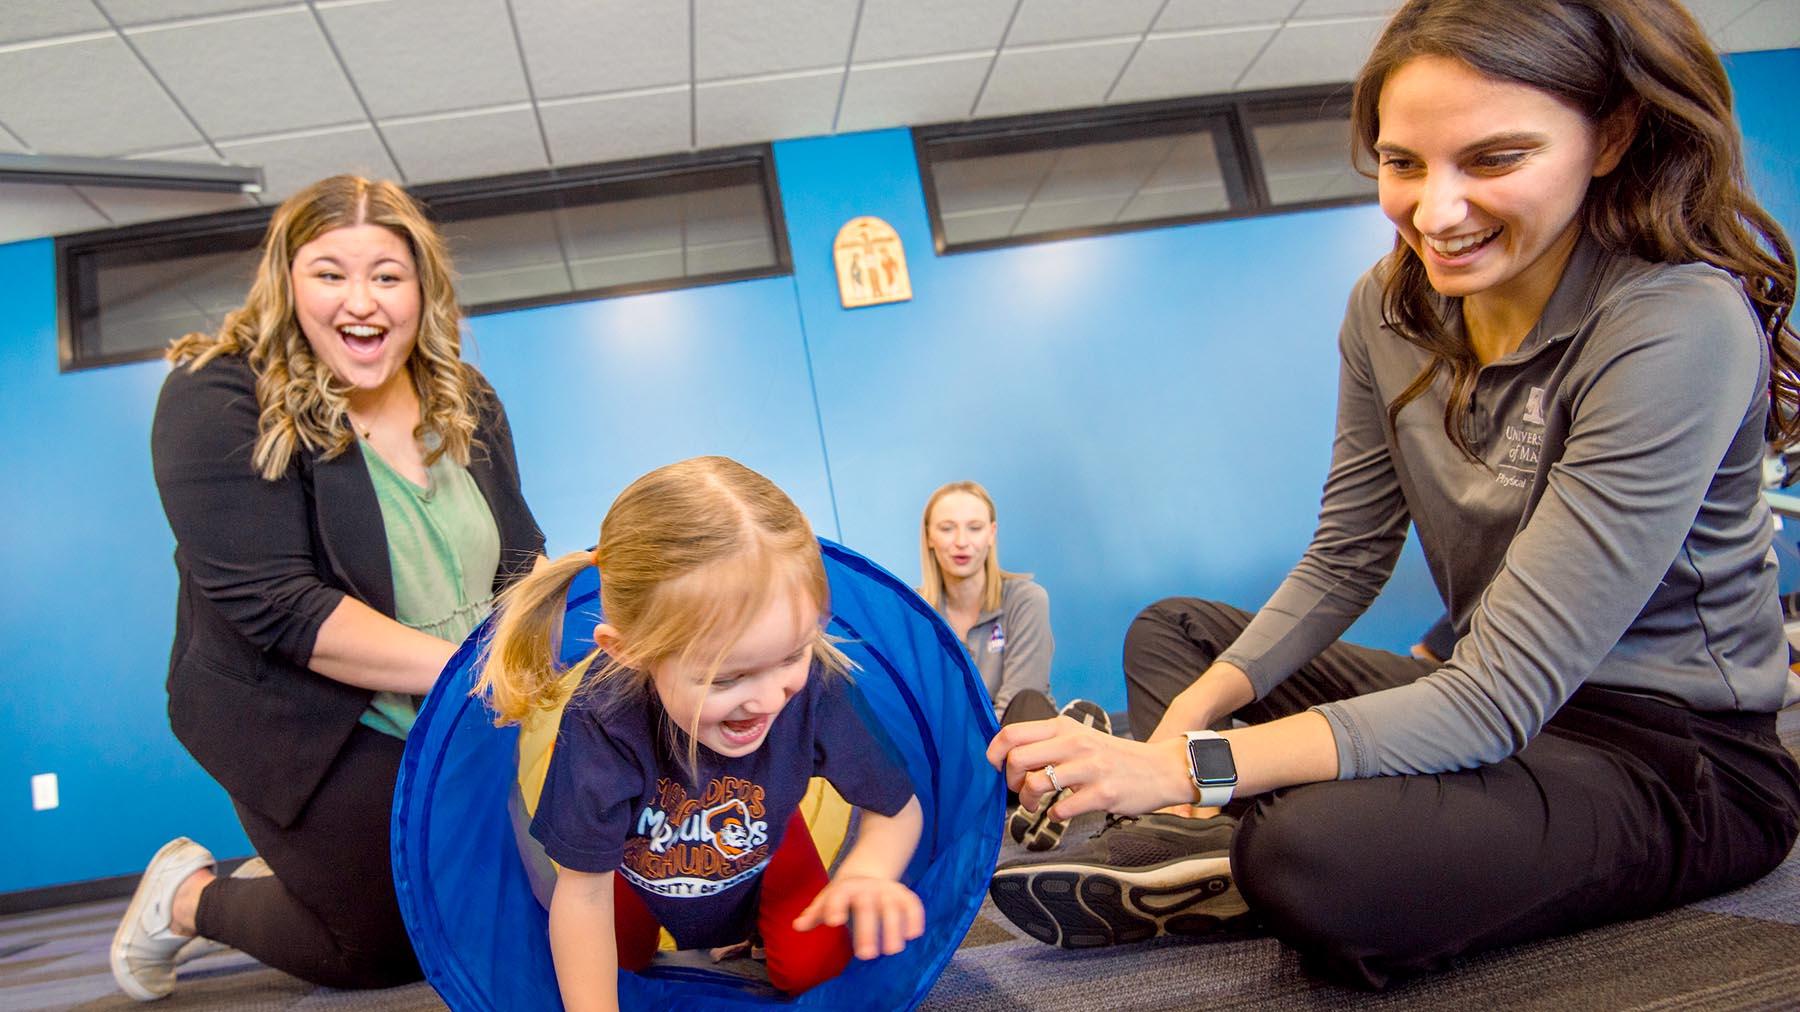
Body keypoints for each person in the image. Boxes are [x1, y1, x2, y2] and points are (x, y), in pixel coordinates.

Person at [985, 0, 1800, 989]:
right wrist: (1182, 731)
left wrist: (1184, 770)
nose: (1435, 211)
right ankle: (1205, 840)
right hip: (1487, 709)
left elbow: (1496, 694)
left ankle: (1231, 845)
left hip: (1676, 761)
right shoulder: (1388, 303)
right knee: (1177, 634)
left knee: (1317, 854)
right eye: (1402, 162)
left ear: (1612, 135)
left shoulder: (1676, 323)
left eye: (1493, 159)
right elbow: (1344, 559)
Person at [117, 175, 545, 1000]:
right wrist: (473, 674)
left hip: (454, 696)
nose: (363, 300)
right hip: (308, 718)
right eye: (329, 273)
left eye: (388, 274)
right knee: (385, 949)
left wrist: (566, 631)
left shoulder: (465, 399)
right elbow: (277, 605)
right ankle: (188, 899)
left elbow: (519, 556)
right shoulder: (218, 395)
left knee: (483, 901)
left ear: (423, 288)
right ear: (286, 282)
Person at [478, 456, 924, 1008]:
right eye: (726, 677)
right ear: (631, 651)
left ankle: (753, 928)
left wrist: (868, 871)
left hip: (767, 849)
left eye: (790, 655)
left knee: (817, 964)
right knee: (610, 956)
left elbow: (897, 808)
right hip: (635, 868)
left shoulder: (819, 688)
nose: (765, 699)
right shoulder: (602, 716)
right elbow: (583, 894)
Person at [918, 481, 1109, 850]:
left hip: (1014, 744)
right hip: (956, 757)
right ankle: (1060, 781)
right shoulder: (915, 615)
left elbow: (1022, 690)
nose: (961, 541)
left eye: (974, 527)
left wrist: (980, 754)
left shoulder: (1026, 599)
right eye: (947, 528)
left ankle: (1048, 785)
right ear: (928, 537)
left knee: (1028, 705)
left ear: (991, 534)